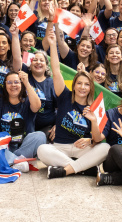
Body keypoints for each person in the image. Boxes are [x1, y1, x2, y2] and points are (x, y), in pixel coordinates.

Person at [36, 26, 109, 178]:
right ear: (74, 85)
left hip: (81, 149)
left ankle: (65, 169)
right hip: (60, 147)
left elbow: (97, 139)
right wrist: (53, 44)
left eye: (87, 84)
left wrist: (93, 122)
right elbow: (55, 70)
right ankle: (82, 169)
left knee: (106, 148)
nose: (83, 87)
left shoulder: (95, 106)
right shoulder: (64, 95)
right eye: (79, 83)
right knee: (42, 150)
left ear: (91, 88)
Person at [0, 69, 46, 172]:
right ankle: (17, 161)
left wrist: (26, 83)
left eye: (16, 82)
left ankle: (11, 160)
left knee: (40, 136)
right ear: (5, 85)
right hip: (5, 145)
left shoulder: (28, 101)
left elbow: (37, 106)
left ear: (21, 84)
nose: (13, 85)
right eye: (9, 82)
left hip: (24, 144)